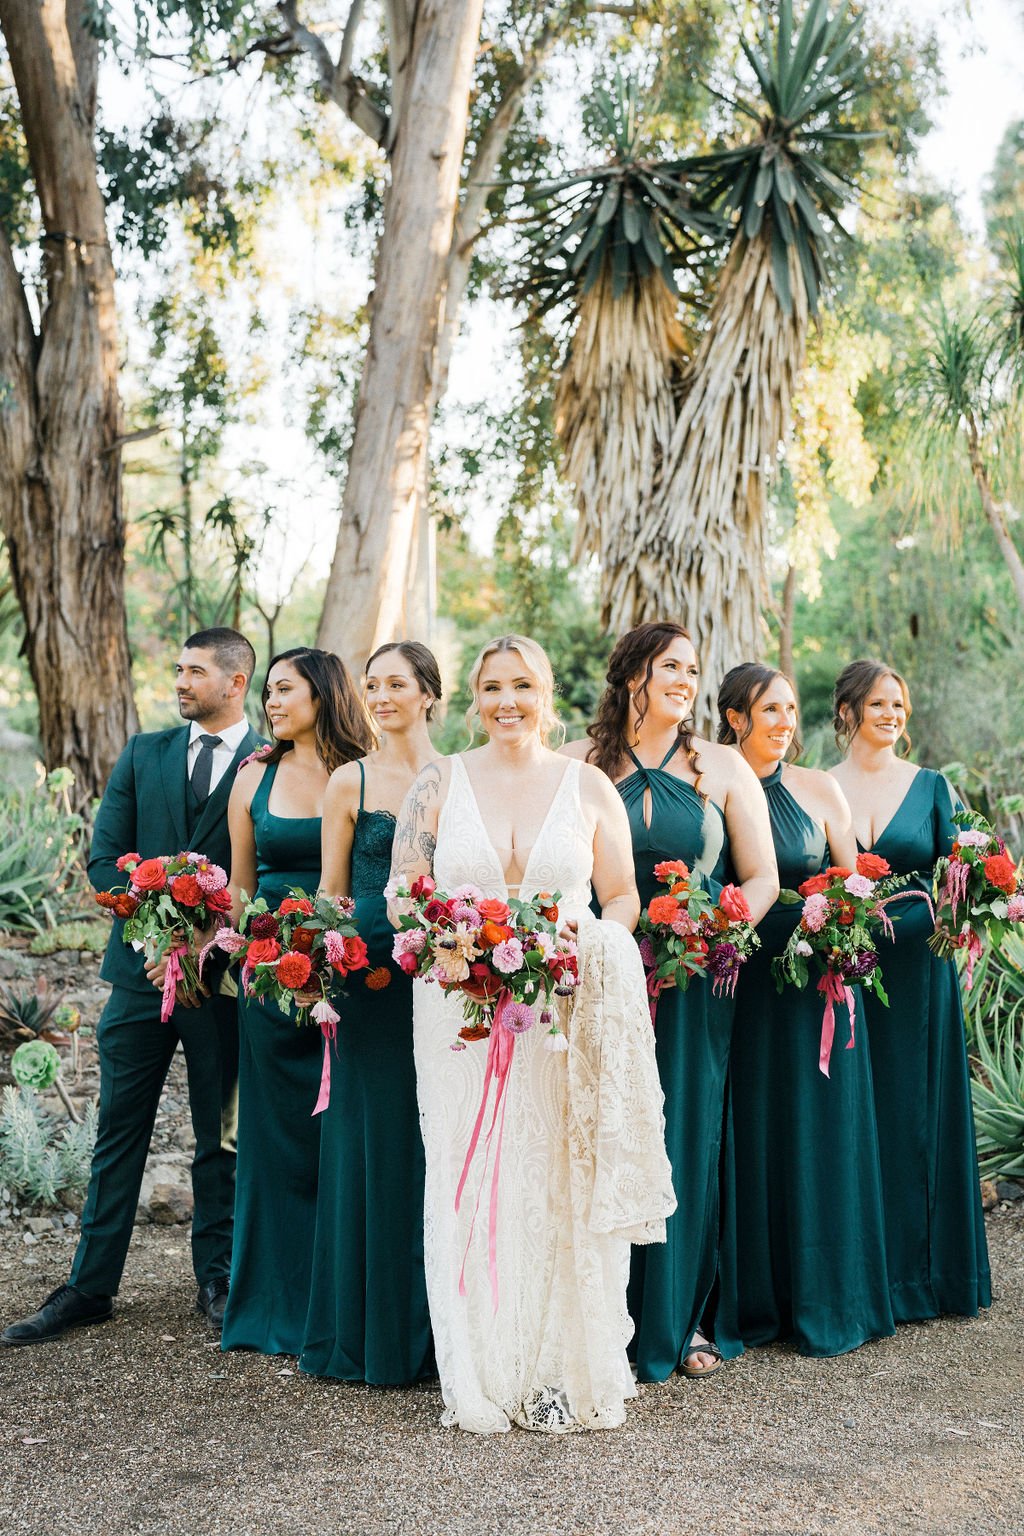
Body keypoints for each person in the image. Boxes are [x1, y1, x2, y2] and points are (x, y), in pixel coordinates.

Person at [389, 634, 675, 1433]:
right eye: (492, 687)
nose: (507, 701)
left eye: (522, 685)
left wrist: (580, 947)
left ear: (547, 693)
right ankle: (479, 1369)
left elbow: (621, 898)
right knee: (468, 1166)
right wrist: (454, 950)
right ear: (473, 698)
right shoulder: (438, 782)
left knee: (557, 1169)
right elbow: (403, 896)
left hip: (561, 1010)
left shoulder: (588, 788)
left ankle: (557, 1367)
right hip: (455, 1014)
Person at [1, 629, 261, 1347]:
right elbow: (104, 857)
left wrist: (201, 947)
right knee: (118, 1131)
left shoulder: (266, 762)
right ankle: (89, 1286)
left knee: (220, 1137)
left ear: (235, 683)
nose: (180, 681)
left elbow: (263, 872)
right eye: (177, 668)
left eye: (195, 671)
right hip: (138, 979)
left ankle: (218, 1277)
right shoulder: (143, 753)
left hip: (221, 986)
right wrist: (159, 936)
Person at [563, 622, 778, 1381]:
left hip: (693, 978)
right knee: (599, 1123)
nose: (686, 680)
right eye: (670, 667)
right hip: (598, 969)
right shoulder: (579, 764)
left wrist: (720, 927)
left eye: (693, 669)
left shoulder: (717, 766)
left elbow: (762, 880)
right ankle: (593, 1314)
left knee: (684, 1128)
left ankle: (678, 1320)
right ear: (633, 677)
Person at [714, 662, 895, 1357]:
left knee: (819, 1131)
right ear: (736, 718)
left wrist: (843, 922)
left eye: (791, 710)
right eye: (770, 711)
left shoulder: (819, 789)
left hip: (816, 987)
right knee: (753, 1128)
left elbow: (856, 887)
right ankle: (755, 1297)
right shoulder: (716, 787)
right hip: (743, 989)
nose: (785, 723)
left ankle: (827, 1293)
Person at [220, 648, 375, 1356]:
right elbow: (242, 889)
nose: (271, 702)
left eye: (285, 689)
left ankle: (342, 1294)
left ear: (323, 693)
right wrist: (251, 951)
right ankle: (271, 1303)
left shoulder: (368, 769)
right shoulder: (254, 776)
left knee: (345, 1133)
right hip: (271, 980)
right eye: (269, 691)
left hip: (354, 971)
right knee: (276, 1137)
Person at [829, 659, 990, 1323]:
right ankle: (864, 1273)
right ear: (848, 713)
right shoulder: (820, 787)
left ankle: (928, 1277)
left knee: (916, 1110)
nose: (892, 715)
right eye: (878, 704)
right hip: (847, 965)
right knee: (855, 1110)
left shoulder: (932, 787)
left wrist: (976, 914)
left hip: (919, 971)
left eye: (899, 704)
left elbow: (960, 877)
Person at [300, 641, 440, 1386]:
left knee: (435, 1139)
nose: (381, 695)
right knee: (374, 1140)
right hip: (369, 982)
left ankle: (438, 1326)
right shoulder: (348, 781)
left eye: (397, 683)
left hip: (448, 977)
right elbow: (332, 890)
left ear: (429, 694)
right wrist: (325, 959)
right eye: (373, 684)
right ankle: (370, 1330)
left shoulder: (460, 776)